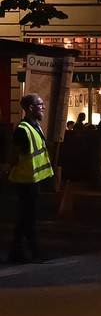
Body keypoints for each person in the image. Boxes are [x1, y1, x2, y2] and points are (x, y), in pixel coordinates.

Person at [4, 93, 54, 263]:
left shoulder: (35, 126)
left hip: (31, 180)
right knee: (29, 218)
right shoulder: (23, 130)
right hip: (25, 181)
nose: (43, 107)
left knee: (26, 217)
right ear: (31, 108)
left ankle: (17, 252)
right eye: (40, 105)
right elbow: (13, 155)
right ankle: (32, 251)